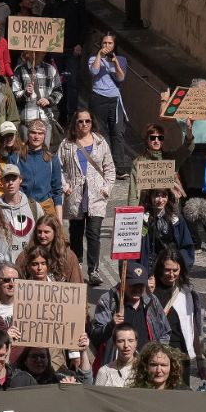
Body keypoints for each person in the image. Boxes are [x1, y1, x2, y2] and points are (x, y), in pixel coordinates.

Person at [59, 108, 114, 286]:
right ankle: (76, 268)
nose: (84, 124)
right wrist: (64, 185)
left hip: (95, 195)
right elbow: (58, 167)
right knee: (75, 234)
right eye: (80, 121)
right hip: (75, 195)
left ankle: (94, 270)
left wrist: (106, 188)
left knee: (94, 234)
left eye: (87, 121)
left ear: (92, 123)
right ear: (75, 123)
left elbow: (109, 168)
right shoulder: (67, 144)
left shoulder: (100, 142)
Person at [85, 32, 132, 173]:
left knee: (117, 133)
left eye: (109, 43)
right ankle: (101, 165)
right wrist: (99, 55)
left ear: (114, 45)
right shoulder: (93, 58)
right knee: (99, 133)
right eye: (104, 43)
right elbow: (94, 71)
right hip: (98, 97)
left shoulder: (122, 59)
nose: (107, 46)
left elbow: (121, 78)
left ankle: (119, 166)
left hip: (114, 99)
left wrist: (115, 62)